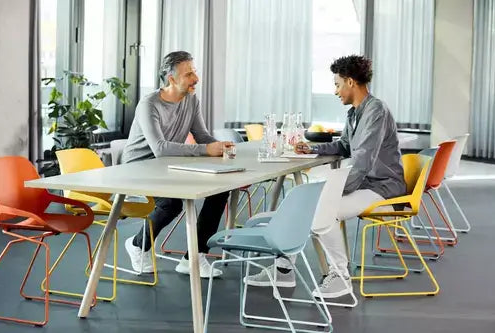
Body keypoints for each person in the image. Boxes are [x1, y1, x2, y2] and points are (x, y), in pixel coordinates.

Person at [246, 55, 406, 298]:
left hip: (382, 187)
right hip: (366, 183)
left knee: (322, 209)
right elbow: (344, 146)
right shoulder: (354, 113)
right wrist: (312, 149)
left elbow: (362, 161)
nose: (335, 91)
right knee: (307, 206)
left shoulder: (376, 111)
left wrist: (335, 190)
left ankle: (340, 276)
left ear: (350, 82)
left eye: (337, 84)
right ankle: (283, 271)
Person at [121, 51, 233, 278]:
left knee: (221, 189)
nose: (196, 79)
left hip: (168, 166)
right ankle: (137, 244)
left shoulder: (191, 100)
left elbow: (202, 137)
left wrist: (221, 147)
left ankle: (194, 256)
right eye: (189, 74)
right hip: (138, 168)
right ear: (171, 79)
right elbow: (160, 148)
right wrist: (205, 150)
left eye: (195, 72)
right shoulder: (149, 104)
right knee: (171, 204)